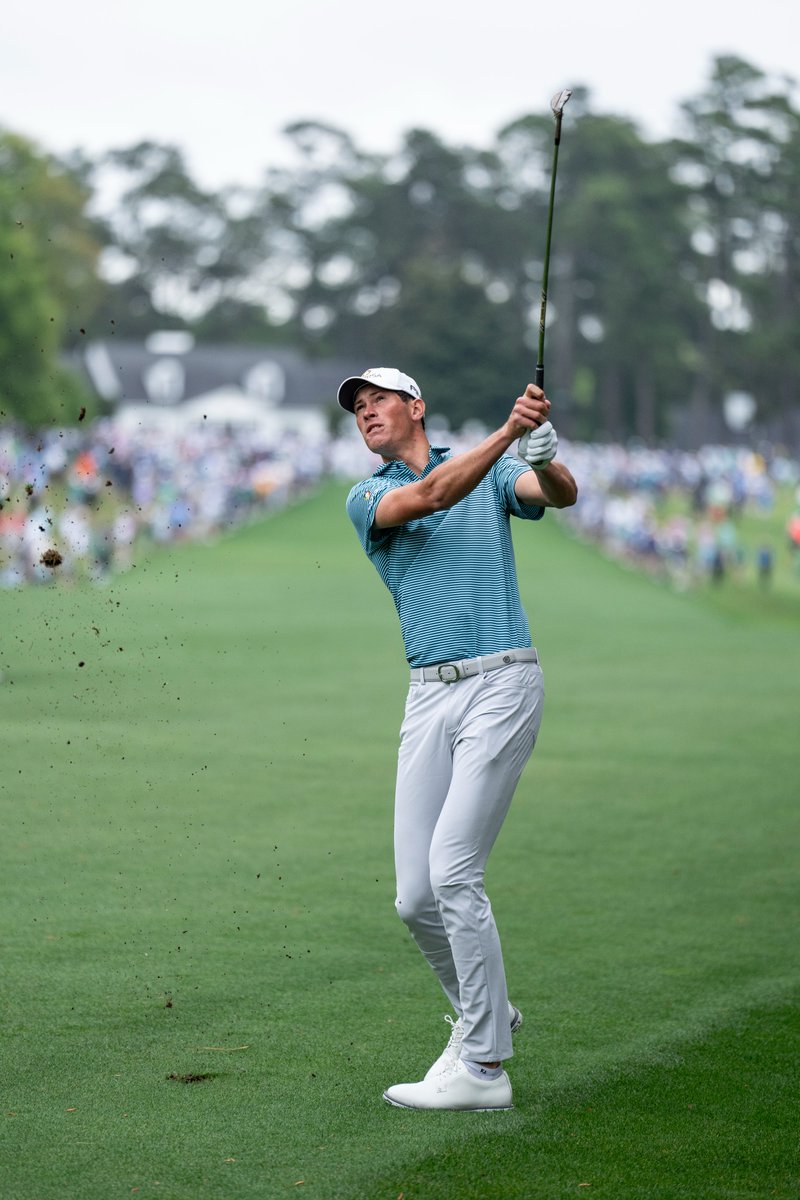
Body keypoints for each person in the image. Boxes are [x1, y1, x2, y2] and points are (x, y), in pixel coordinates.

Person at [338, 366, 578, 1111]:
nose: (366, 413)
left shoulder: (497, 468)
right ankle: (488, 1011)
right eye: (357, 408)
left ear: (416, 406)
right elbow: (434, 495)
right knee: (415, 898)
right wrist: (510, 431)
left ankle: (482, 1067)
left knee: (453, 871)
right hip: (427, 697)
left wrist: (539, 454)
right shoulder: (368, 495)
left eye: (378, 400)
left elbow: (560, 495)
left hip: (502, 679)